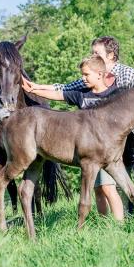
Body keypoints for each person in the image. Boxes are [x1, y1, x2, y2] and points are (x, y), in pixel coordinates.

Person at [54, 36, 134, 213]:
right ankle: (129, 220)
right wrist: (34, 87)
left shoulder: (128, 74)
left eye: (96, 52)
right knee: (122, 180)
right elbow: (66, 88)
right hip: (116, 137)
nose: (92, 55)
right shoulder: (96, 73)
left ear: (111, 55)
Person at [22, 55, 124, 221]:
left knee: (108, 187)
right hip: (90, 153)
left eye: (86, 75)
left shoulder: (114, 95)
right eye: (82, 75)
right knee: (98, 189)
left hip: (106, 151)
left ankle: (120, 224)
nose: (83, 79)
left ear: (100, 74)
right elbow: (58, 94)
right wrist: (33, 90)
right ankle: (104, 224)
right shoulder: (81, 95)